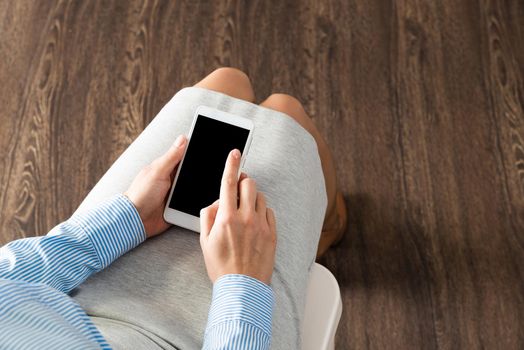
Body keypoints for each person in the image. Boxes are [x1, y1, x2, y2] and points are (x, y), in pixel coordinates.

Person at [0, 68, 347, 349]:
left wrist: (127, 219)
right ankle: (327, 227)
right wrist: (243, 282)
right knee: (288, 113)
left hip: (71, 302)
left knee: (226, 83)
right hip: (217, 334)